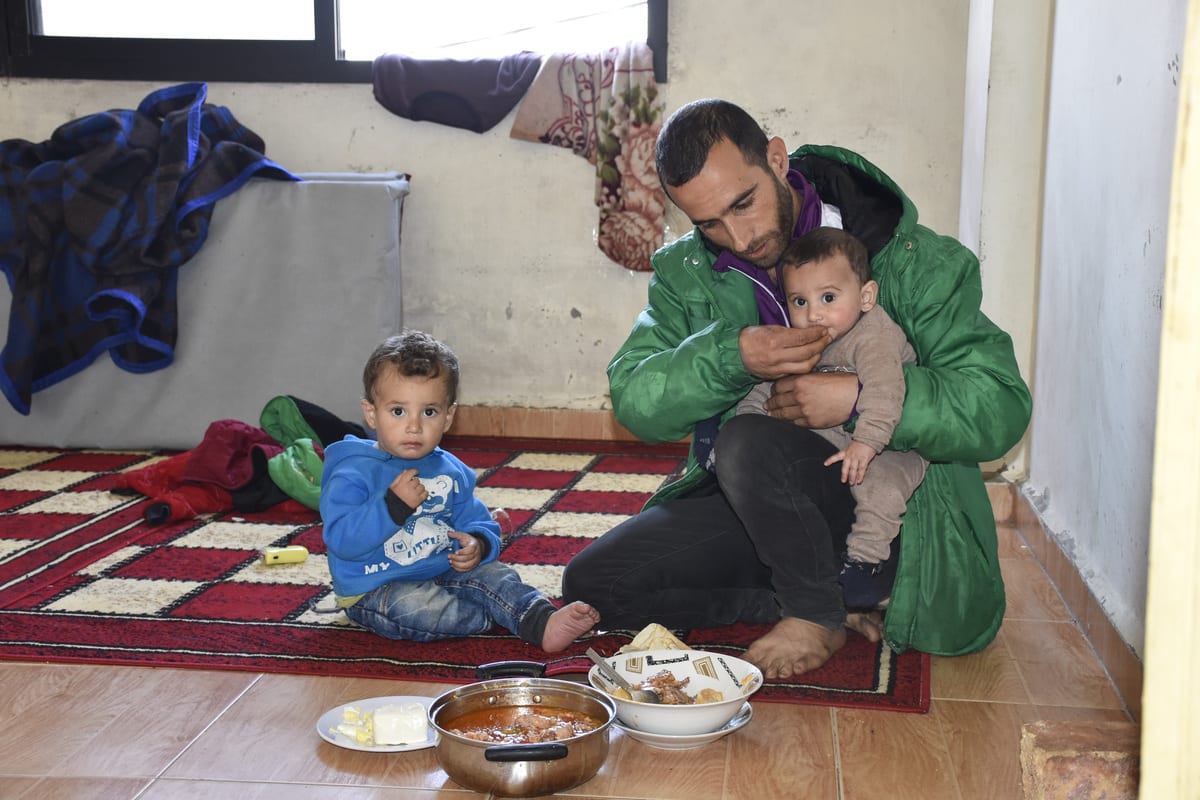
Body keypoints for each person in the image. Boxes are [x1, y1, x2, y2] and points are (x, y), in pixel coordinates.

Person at [561, 98, 1031, 679]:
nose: (738, 235)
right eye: (709, 222)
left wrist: (857, 400)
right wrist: (732, 356)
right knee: (595, 585)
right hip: (760, 503)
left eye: (744, 203)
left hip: (889, 509)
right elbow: (636, 401)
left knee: (746, 441)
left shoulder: (911, 260)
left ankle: (820, 606)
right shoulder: (688, 271)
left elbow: (999, 405)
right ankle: (833, 601)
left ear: (777, 160)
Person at [320, 330, 600, 652]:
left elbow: (479, 521)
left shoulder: (451, 471)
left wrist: (478, 544)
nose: (414, 426)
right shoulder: (352, 471)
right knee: (416, 609)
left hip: (443, 568)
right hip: (377, 587)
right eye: (398, 411)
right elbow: (342, 541)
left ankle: (540, 620)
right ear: (371, 413)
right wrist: (392, 507)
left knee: (497, 575)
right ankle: (496, 617)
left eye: (429, 412)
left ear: (449, 416)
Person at [735, 227, 928, 609]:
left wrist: (867, 443)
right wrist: (745, 422)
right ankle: (814, 566)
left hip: (890, 444)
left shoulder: (873, 336)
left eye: (827, 297)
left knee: (881, 490)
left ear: (866, 296)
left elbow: (887, 390)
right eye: (799, 301)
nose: (813, 314)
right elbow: (772, 388)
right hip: (839, 440)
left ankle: (867, 567)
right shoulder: (809, 337)